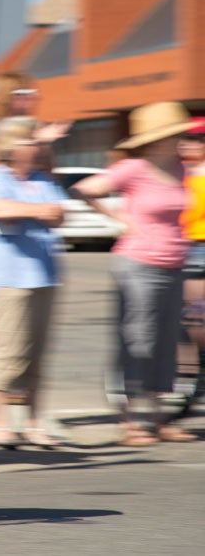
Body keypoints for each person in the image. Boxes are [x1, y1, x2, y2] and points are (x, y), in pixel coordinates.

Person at [71, 101, 196, 445]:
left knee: (167, 343)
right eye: (175, 134)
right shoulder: (133, 169)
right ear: (156, 140)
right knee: (138, 341)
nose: (181, 140)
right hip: (138, 265)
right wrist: (121, 220)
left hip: (174, 264)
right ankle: (131, 421)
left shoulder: (181, 169)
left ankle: (157, 417)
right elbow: (83, 189)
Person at [0, 116, 65, 448]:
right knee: (6, 353)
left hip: (44, 276)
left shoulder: (41, 179)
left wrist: (40, 210)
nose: (37, 147)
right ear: (13, 145)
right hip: (6, 278)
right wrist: (38, 211)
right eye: (31, 140)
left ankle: (35, 422)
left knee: (37, 354)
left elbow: (60, 212)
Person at [176, 119, 205, 400]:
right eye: (183, 139)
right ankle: (191, 374)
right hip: (183, 247)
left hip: (200, 247)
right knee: (190, 317)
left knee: (195, 315)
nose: (186, 145)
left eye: (194, 140)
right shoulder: (178, 172)